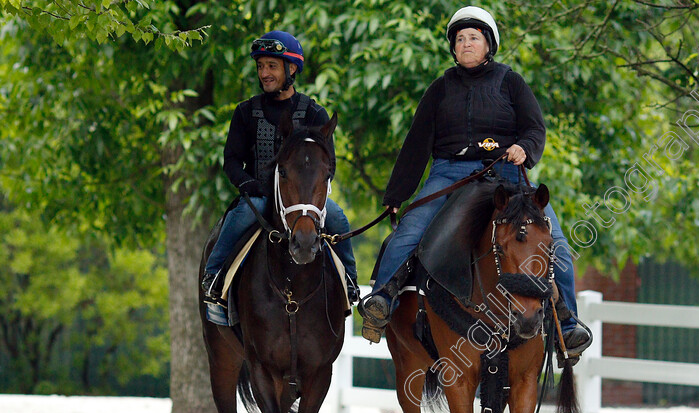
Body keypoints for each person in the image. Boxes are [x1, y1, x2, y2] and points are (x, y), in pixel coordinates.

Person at [358, 6, 590, 357]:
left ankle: (567, 325)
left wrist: (524, 148)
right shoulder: (439, 89)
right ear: (453, 48)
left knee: (555, 242)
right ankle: (382, 301)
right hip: (448, 174)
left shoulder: (511, 81)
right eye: (460, 39)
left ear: (488, 44)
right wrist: (398, 193)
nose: (466, 44)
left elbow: (534, 128)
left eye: (474, 38)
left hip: (507, 174)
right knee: (409, 231)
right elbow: (417, 142)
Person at [201, 31, 358, 304]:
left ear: (291, 68)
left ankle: (350, 283)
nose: (264, 73)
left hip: (303, 200)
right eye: (261, 66)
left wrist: (315, 195)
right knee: (239, 218)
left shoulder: (314, 114)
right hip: (260, 195)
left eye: (272, 66)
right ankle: (213, 275)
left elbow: (328, 164)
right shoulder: (245, 112)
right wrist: (246, 184)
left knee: (337, 217)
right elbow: (231, 160)